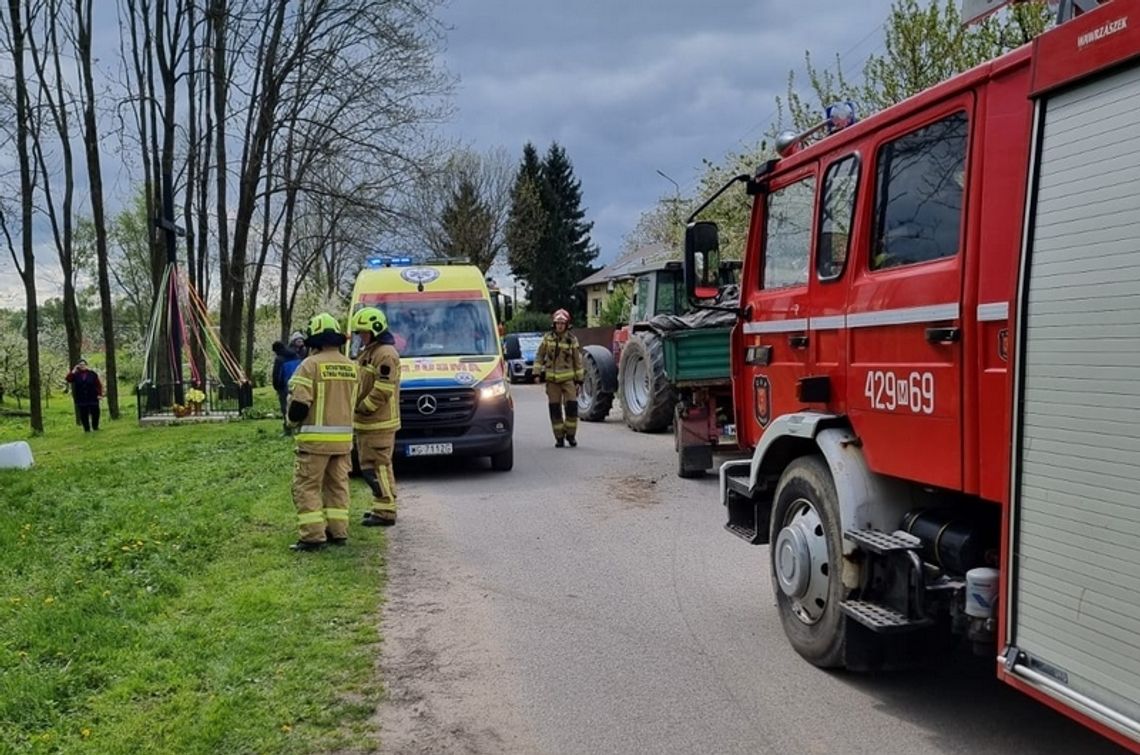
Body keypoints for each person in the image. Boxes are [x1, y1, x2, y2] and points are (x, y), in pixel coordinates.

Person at [285, 313, 358, 551]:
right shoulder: (351, 367)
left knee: (307, 486)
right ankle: (339, 532)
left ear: (314, 339)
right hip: (344, 442)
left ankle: (312, 537)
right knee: (337, 486)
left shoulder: (310, 365)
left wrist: (291, 421)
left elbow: (299, 406)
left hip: (314, 442)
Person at [350, 307, 402, 527]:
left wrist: (362, 407)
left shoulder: (385, 354)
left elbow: (382, 389)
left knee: (378, 466)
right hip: (367, 422)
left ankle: (386, 511)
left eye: (364, 332)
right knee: (371, 465)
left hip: (378, 422)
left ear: (376, 330)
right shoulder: (370, 351)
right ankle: (381, 507)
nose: (361, 336)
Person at [534, 308, 584, 448]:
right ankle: (559, 438)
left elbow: (577, 361)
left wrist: (579, 381)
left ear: (567, 324)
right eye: (557, 323)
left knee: (572, 409)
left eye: (562, 323)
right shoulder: (547, 338)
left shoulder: (572, 340)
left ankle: (571, 435)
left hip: (569, 381)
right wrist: (536, 373)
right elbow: (539, 356)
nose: (560, 325)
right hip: (552, 382)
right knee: (555, 410)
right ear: (554, 324)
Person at [65, 360, 103, 432]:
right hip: (81, 398)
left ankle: (95, 427)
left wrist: (99, 394)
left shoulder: (92, 374)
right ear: (78, 366)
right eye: (80, 365)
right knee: (83, 414)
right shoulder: (76, 375)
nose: (82, 366)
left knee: (95, 413)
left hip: (93, 396)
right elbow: (68, 379)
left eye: (83, 364)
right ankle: (87, 429)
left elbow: (98, 385)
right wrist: (73, 371)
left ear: (86, 365)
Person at [271, 341, 300, 433]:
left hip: (284, 387)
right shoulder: (296, 355)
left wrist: (277, 387)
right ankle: (298, 427)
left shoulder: (279, 359)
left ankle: (287, 429)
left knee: (285, 407)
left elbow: (276, 375)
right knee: (297, 406)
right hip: (298, 384)